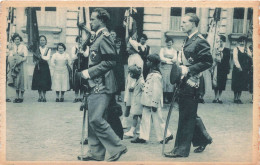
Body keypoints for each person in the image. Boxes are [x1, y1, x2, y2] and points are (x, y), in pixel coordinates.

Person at [77, 8, 127, 162]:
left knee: (96, 119)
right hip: (95, 83)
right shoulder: (97, 37)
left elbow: (110, 61)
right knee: (93, 118)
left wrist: (88, 73)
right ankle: (96, 153)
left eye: (92, 19)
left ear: (101, 20)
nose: (90, 22)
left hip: (102, 83)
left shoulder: (104, 37)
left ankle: (117, 146)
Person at [164, 13, 213, 158]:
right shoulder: (188, 39)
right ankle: (203, 139)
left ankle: (181, 149)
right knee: (188, 113)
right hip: (184, 80)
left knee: (186, 115)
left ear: (193, 23)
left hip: (193, 82)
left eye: (185, 22)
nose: (182, 24)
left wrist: (189, 69)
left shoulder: (200, 41)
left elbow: (208, 62)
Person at [131, 54, 173, 144]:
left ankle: (167, 135)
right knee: (145, 119)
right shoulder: (151, 73)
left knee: (158, 119)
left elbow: (157, 91)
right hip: (147, 101)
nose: (146, 62)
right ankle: (143, 136)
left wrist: (154, 103)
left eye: (148, 61)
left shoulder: (156, 75)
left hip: (153, 102)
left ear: (152, 63)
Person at [123, 26, 143, 130]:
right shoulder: (131, 57)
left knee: (134, 104)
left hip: (134, 84)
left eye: (128, 47)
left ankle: (137, 126)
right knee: (127, 102)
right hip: (130, 81)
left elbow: (139, 73)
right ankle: (125, 122)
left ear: (132, 49)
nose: (126, 49)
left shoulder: (137, 58)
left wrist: (132, 85)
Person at [124, 65, 144, 138]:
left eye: (131, 73)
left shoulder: (141, 82)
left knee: (135, 116)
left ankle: (132, 131)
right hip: (136, 101)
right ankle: (141, 129)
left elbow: (144, 91)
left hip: (139, 102)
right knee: (140, 116)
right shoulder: (137, 80)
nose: (130, 75)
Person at [7, 33, 28, 103]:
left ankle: (21, 96)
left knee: (21, 80)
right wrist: (13, 61)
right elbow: (10, 56)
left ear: (20, 40)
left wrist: (20, 60)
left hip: (21, 65)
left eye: (18, 39)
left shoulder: (23, 47)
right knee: (15, 80)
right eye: (15, 39)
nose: (17, 40)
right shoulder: (12, 47)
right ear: (13, 40)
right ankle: (16, 96)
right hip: (14, 66)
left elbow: (25, 57)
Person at [231, 35, 252, 104]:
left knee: (241, 84)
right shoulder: (236, 49)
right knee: (236, 83)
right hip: (237, 69)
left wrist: (248, 52)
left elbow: (250, 56)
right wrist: (239, 67)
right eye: (241, 41)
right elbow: (235, 59)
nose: (242, 43)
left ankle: (239, 98)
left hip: (244, 69)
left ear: (245, 42)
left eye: (243, 41)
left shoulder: (246, 49)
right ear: (239, 42)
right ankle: (235, 98)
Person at [31, 35, 52, 102]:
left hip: (45, 66)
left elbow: (47, 58)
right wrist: (36, 61)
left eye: (43, 40)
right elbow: (34, 59)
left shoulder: (48, 49)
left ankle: (44, 96)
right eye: (41, 40)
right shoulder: (37, 49)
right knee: (38, 81)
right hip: (38, 66)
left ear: (46, 41)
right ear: (39, 42)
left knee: (44, 81)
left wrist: (41, 56)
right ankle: (40, 96)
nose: (42, 41)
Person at [212, 35, 230, 104]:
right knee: (215, 82)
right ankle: (215, 97)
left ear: (224, 42)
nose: (220, 42)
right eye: (219, 41)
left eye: (221, 41)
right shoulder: (215, 49)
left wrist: (221, 55)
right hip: (216, 67)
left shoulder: (227, 50)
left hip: (223, 68)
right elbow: (213, 58)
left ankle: (220, 97)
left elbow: (227, 59)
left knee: (222, 82)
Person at [159, 38, 178, 104]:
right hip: (163, 68)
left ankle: (168, 97)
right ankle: (163, 97)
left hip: (171, 68)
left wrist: (166, 60)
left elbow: (175, 59)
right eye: (167, 42)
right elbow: (161, 58)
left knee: (170, 82)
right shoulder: (162, 50)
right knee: (164, 82)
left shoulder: (174, 51)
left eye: (170, 42)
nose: (169, 44)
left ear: (172, 43)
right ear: (166, 43)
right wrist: (170, 60)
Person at [71, 36, 89, 103]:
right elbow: (73, 57)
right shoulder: (74, 47)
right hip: (76, 65)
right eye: (79, 40)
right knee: (76, 81)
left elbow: (86, 55)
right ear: (77, 40)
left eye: (82, 40)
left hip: (84, 65)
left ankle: (81, 97)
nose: (80, 41)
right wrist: (77, 53)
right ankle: (76, 97)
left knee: (83, 80)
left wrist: (82, 51)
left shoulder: (86, 47)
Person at [114, 37, 125, 102]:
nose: (118, 44)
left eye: (119, 43)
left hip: (120, 67)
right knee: (115, 81)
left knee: (120, 81)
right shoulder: (113, 50)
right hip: (114, 67)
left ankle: (120, 96)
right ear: (115, 44)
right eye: (117, 43)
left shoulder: (122, 50)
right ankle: (115, 96)